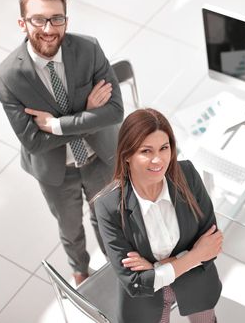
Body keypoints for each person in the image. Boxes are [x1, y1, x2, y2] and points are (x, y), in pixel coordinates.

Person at [0, 0, 123, 285]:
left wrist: (57, 124)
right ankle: (80, 271)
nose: (49, 29)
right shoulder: (9, 76)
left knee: (107, 218)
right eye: (38, 20)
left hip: (99, 159)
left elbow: (115, 111)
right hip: (56, 172)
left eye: (57, 19)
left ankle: (116, 266)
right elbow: (33, 141)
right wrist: (88, 112)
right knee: (70, 229)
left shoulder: (88, 48)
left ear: (66, 19)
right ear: (22, 23)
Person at [93, 108, 223, 323]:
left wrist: (155, 269)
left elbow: (212, 245)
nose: (158, 160)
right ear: (127, 155)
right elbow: (135, 283)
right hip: (146, 301)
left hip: (196, 284)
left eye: (164, 148)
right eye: (146, 151)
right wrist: (192, 256)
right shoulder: (108, 207)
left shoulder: (187, 175)